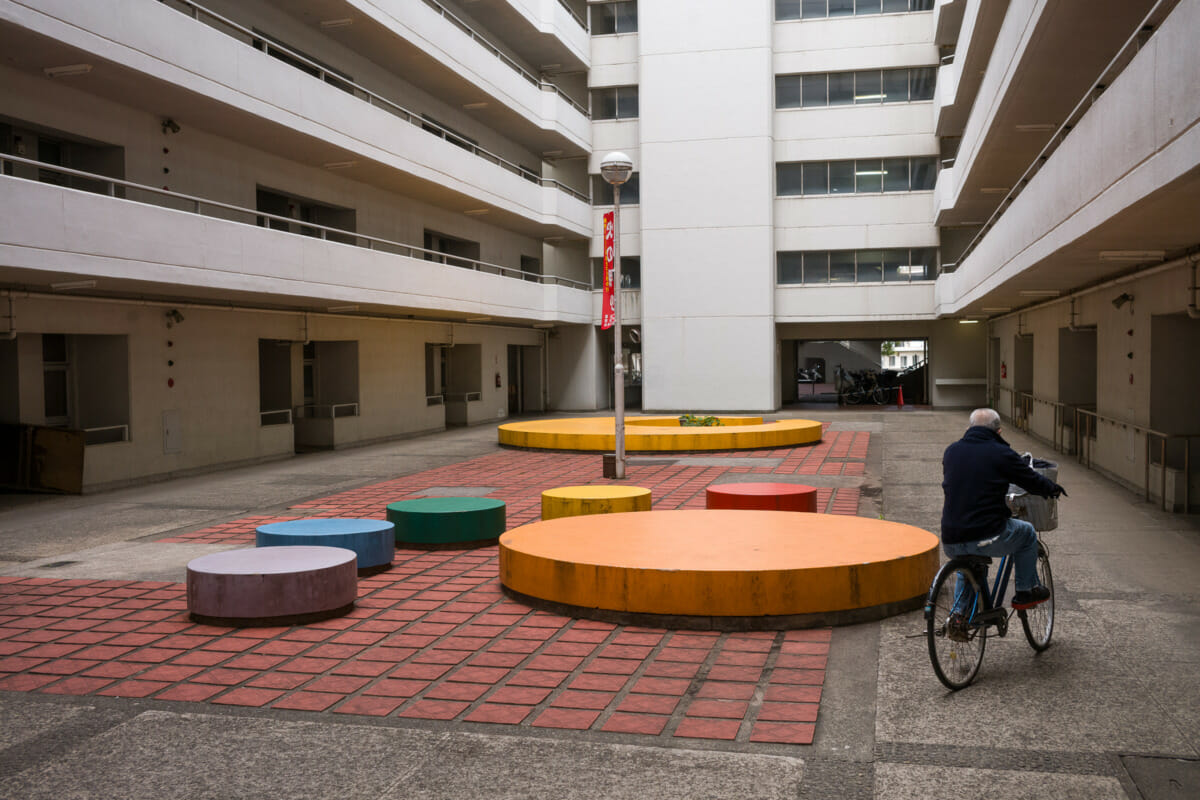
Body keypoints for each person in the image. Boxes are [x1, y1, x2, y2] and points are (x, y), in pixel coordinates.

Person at [941, 408, 1066, 607]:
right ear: (998, 432)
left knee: (968, 561)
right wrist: (1053, 489)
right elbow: (1030, 479)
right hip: (986, 535)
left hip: (950, 538)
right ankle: (1026, 591)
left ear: (969, 428)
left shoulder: (951, 451)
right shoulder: (1001, 453)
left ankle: (959, 616)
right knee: (1026, 533)